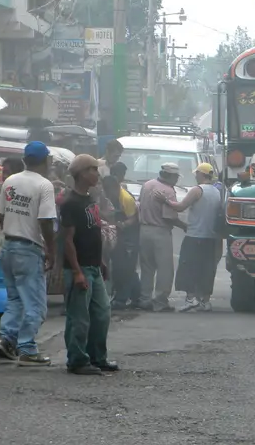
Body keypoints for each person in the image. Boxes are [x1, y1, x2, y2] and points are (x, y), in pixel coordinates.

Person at [0, 142, 57, 367]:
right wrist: (50, 249)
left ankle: (7, 339)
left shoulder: (11, 181)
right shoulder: (44, 185)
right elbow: (46, 221)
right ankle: (27, 348)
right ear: (45, 160)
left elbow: (0, 214)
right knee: (36, 304)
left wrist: (13, 230)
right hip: (29, 249)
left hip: (9, 246)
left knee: (15, 300)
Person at [61, 154, 118, 375]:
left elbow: (93, 233)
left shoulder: (90, 199)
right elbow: (67, 240)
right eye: (92, 169)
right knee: (79, 317)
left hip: (93, 266)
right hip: (80, 268)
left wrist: (100, 260)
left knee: (102, 313)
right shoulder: (70, 203)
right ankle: (76, 360)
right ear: (82, 174)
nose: (97, 173)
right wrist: (76, 272)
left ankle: (97, 356)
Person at [155, 163, 221, 312]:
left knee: (189, 267)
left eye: (197, 173)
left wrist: (165, 200)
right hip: (210, 236)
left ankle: (190, 299)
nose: (195, 176)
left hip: (194, 235)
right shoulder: (217, 192)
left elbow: (180, 207)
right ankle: (205, 301)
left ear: (202, 174)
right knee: (206, 269)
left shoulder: (197, 190)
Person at [137, 163, 187, 312]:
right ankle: (160, 301)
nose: (177, 180)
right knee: (165, 269)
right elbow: (169, 217)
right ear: (170, 176)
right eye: (176, 177)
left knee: (147, 267)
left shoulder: (147, 185)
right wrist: (184, 225)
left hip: (144, 230)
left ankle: (145, 299)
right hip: (160, 231)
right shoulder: (168, 191)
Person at [102, 173, 141, 310]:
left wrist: (122, 225)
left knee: (125, 270)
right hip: (118, 238)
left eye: (108, 190)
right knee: (123, 269)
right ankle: (137, 298)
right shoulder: (111, 197)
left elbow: (134, 218)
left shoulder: (126, 198)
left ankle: (121, 300)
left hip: (129, 239)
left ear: (114, 187)